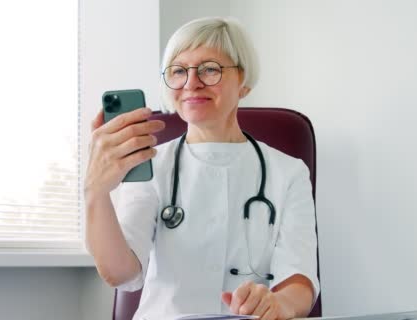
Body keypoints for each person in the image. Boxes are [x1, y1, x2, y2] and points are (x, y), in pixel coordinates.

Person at [85, 17, 319, 320]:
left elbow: (298, 280)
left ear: (244, 82)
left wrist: (278, 305)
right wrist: (96, 192)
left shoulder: (289, 173)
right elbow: (121, 273)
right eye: (179, 71)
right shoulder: (148, 163)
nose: (191, 83)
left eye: (210, 69)